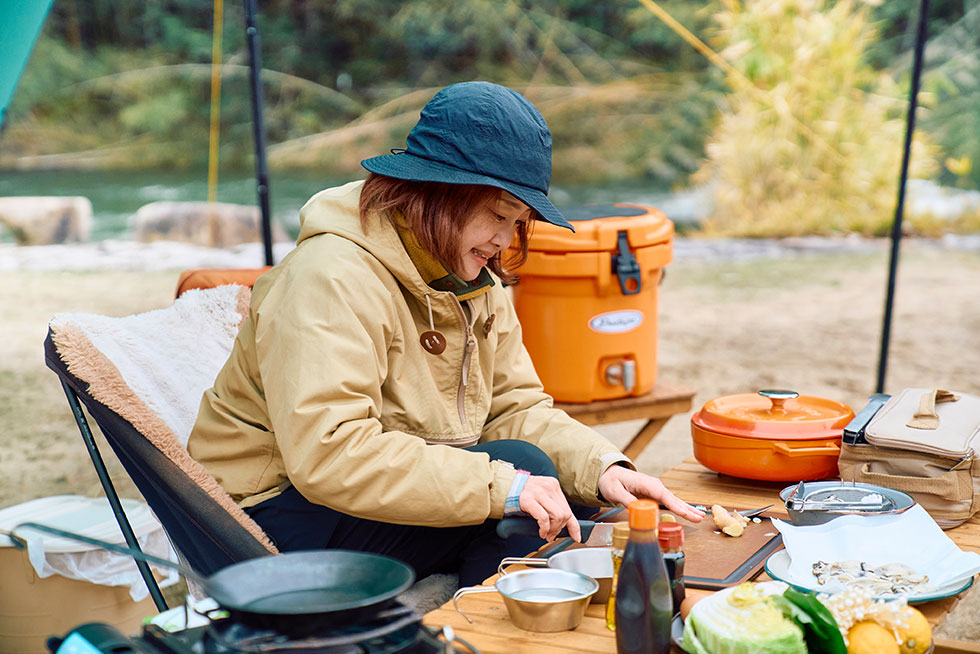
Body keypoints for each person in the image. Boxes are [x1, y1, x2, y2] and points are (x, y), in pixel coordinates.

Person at [187, 81, 702, 587]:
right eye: (498, 216)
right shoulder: (330, 275)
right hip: (262, 524)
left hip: (352, 501)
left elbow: (513, 408)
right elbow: (330, 452)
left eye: (518, 221)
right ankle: (483, 629)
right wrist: (503, 485)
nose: (503, 241)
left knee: (565, 489)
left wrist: (602, 468)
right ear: (435, 192)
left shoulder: (473, 276)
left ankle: (489, 618)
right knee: (523, 476)